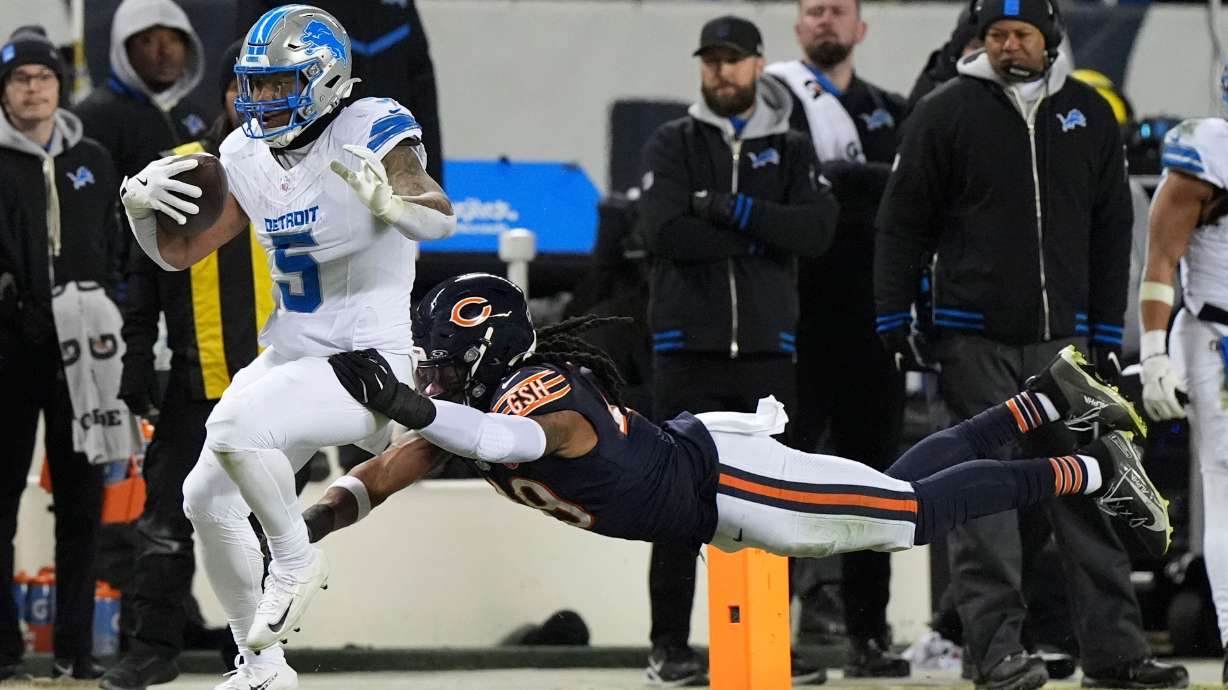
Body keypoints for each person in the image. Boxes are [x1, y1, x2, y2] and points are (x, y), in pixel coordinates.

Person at [302, 275, 1172, 669]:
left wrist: (421, 411)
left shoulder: (536, 397)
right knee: (891, 496)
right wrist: (313, 521)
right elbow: (385, 471)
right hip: (716, 478)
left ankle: (1087, 469)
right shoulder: (475, 410)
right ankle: (1045, 400)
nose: (430, 380)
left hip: (731, 486)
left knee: (909, 516)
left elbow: (510, 445)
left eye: (444, 366)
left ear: (486, 356)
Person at [118, 6, 454, 689]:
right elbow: (180, 254)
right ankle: (263, 663)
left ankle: (295, 558)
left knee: (235, 425)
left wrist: (393, 205)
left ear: (326, 78)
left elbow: (437, 213)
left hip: (369, 362)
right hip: (291, 355)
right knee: (203, 499)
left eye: (279, 84)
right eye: (256, 85)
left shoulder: (370, 124)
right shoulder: (243, 152)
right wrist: (136, 210)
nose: (263, 99)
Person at [873, 2, 1189, 689]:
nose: (1008, 46)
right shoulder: (945, 110)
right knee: (983, 503)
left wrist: (1106, 331)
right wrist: (892, 315)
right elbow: (900, 224)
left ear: (1051, 41)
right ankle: (994, 654)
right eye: (995, 35)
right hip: (972, 339)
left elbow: (1112, 234)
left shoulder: (1088, 113)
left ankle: (1115, 654)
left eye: (1022, 34)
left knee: (1090, 489)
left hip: (1065, 347)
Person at [635, 14, 838, 686]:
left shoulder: (795, 147)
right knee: (676, 502)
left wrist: (726, 209)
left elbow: (814, 232)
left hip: (767, 352)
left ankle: (770, 640)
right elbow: (662, 232)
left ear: (758, 64)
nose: (722, 71)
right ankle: (669, 647)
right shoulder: (673, 141)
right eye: (711, 60)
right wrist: (762, 234)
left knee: (772, 504)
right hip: (684, 350)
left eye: (734, 60)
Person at [99, 40, 274, 690]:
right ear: (224, 92)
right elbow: (140, 278)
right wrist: (136, 359)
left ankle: (257, 650)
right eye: (242, 86)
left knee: (264, 528)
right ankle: (151, 650)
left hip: (276, 390)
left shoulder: (308, 170)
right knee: (165, 525)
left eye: (265, 85)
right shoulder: (179, 169)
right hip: (194, 381)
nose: (252, 99)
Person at [764, 0, 910, 676]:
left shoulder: (894, 109)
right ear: (798, 27)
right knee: (780, 484)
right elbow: (790, 199)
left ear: (860, 27)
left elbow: (910, 198)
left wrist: (846, 185)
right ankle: (772, 634)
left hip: (874, 325)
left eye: (837, 10)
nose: (824, 21)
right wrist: (860, 187)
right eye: (813, 10)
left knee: (874, 485)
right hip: (797, 323)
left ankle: (869, 635)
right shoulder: (775, 99)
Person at [0, 25, 123, 681]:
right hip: (10, 353)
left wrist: (116, 311)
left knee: (82, 504)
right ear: (4, 91)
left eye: (43, 77)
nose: (32, 88)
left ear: (59, 85)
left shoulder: (95, 160)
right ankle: (5, 647)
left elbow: (120, 246)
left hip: (85, 359)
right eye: (20, 78)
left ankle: (77, 646)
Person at [1137, 68, 1228, 682]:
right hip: (1221, 336)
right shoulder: (1206, 154)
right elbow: (1162, 259)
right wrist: (1153, 351)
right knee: (1226, 488)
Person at [237, 0, 445, 185]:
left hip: (392, 153)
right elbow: (253, 75)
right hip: (300, 165)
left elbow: (422, 93)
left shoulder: (398, 7)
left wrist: (430, 181)